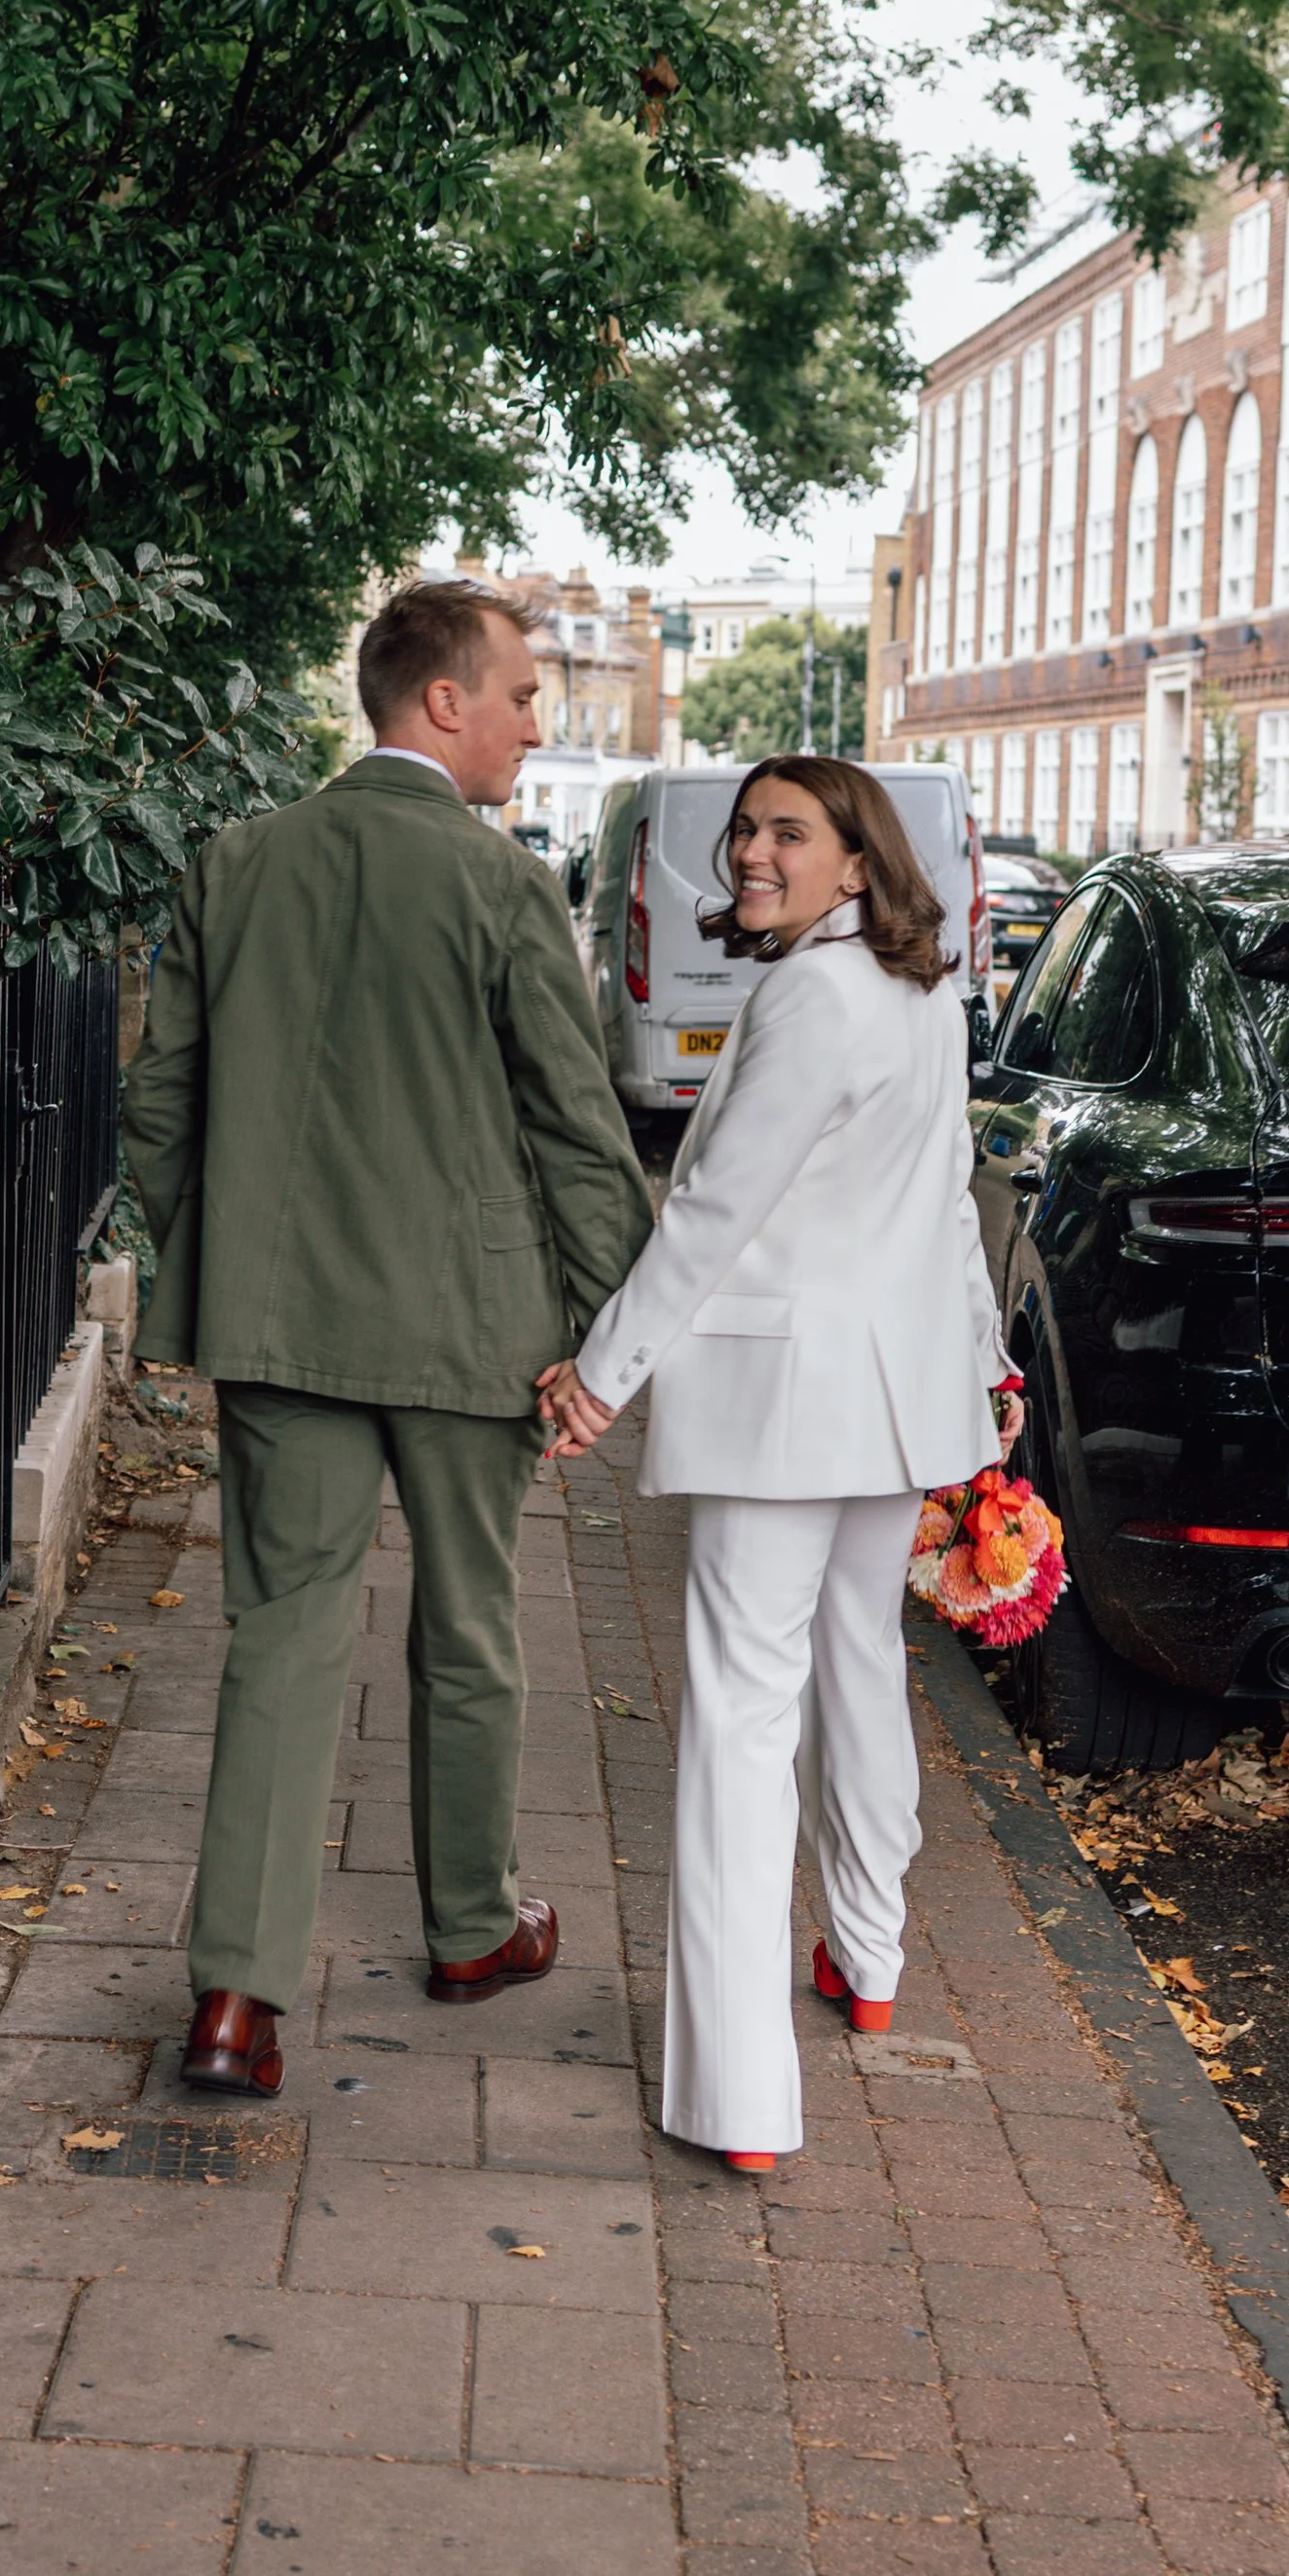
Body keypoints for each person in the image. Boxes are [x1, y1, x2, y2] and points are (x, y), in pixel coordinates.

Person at [123, 578, 654, 2098]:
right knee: (472, 1630)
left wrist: (200, 1259)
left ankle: (237, 1999)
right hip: (472, 1327)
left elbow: (162, 1103)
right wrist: (609, 1335)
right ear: (443, 701)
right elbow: (574, 1127)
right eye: (524, 695)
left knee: (282, 1637)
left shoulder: (240, 862)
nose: (533, 725)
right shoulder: (497, 889)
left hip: (281, 1316)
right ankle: (473, 1928)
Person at [538, 755, 1022, 2171]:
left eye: (786, 831)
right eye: (746, 828)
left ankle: (740, 2098)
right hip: (893, 1393)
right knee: (860, 1661)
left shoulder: (812, 994)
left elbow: (713, 1216)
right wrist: (984, 1362)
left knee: (747, 1717)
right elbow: (943, 1202)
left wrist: (601, 1375)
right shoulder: (927, 988)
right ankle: (868, 1955)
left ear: (859, 859)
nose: (752, 850)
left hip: (784, 1401)